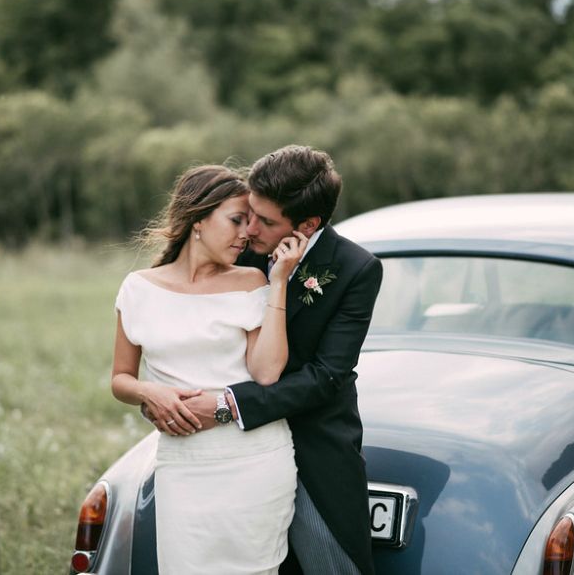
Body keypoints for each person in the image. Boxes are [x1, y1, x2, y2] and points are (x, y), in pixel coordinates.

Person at [182, 146, 383, 575]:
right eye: (249, 212)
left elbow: (327, 375)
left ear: (308, 225)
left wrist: (228, 405)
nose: (249, 229)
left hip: (316, 449)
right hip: (229, 451)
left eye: (266, 221)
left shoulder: (356, 269)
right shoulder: (238, 250)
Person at [111, 165, 307, 575]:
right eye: (237, 220)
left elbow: (268, 372)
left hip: (255, 463)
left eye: (251, 223)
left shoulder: (252, 280)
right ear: (198, 219)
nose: (246, 234)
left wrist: (280, 282)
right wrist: (151, 393)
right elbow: (122, 379)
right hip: (181, 466)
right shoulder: (138, 288)